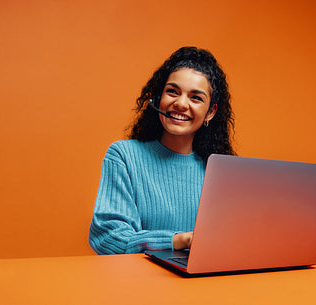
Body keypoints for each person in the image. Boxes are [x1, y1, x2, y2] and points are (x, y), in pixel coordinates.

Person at [89, 47, 235, 254]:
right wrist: (179, 240)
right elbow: (108, 237)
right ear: (159, 98)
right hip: (138, 283)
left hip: (204, 283)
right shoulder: (123, 155)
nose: (181, 103)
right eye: (172, 92)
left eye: (196, 98)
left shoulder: (220, 170)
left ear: (210, 112)